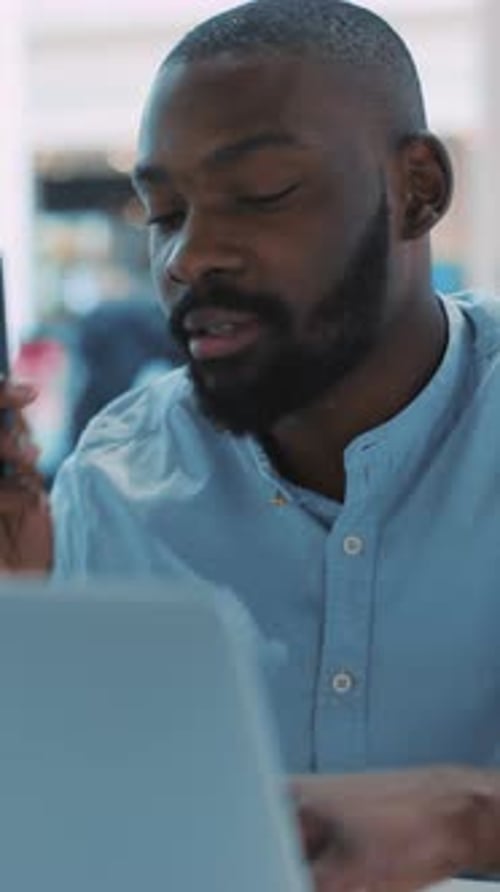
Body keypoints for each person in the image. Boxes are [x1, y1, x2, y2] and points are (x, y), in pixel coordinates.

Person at [3, 0, 500, 887]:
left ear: (417, 189)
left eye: (262, 193)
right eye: (162, 212)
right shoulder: (107, 491)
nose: (186, 259)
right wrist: (22, 620)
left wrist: (469, 821)